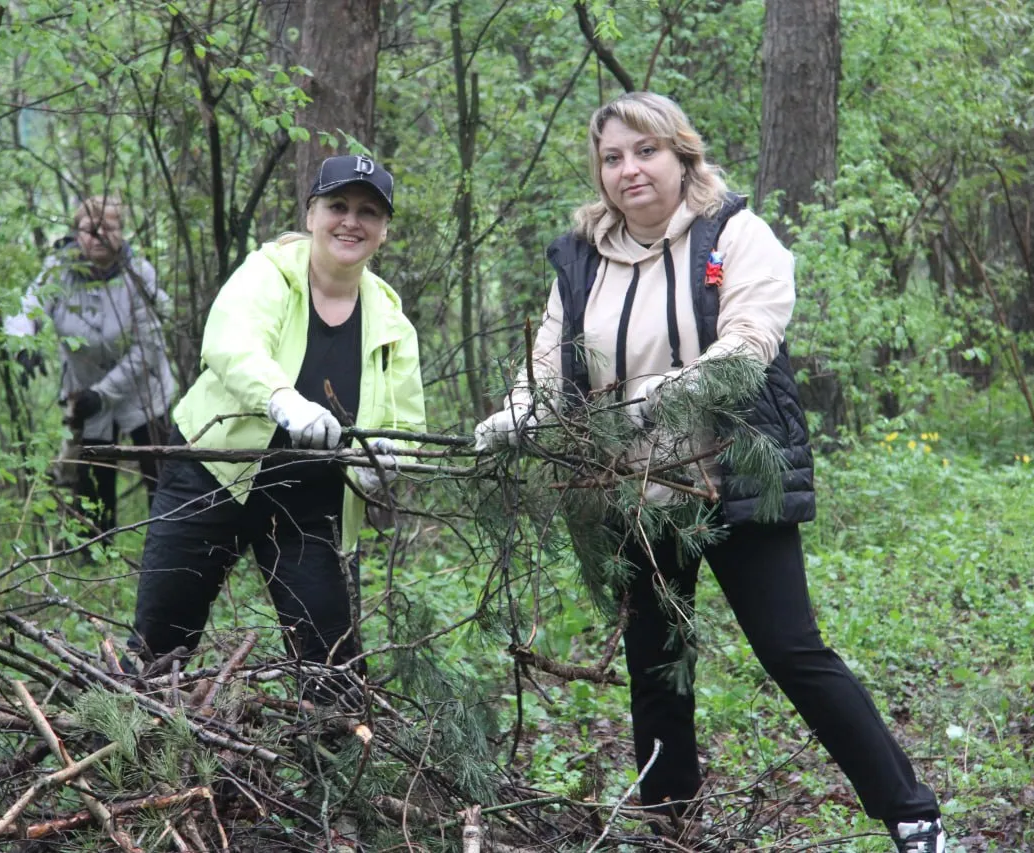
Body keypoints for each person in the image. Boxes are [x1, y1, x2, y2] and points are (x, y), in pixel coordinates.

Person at [472, 92, 945, 853]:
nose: (629, 169)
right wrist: (511, 420)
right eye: (612, 157)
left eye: (645, 151)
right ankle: (671, 833)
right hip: (629, 498)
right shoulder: (580, 259)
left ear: (681, 154)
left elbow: (749, 343)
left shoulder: (735, 234)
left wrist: (646, 406)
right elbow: (546, 371)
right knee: (657, 672)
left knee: (792, 651)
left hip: (730, 483)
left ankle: (912, 813)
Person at [127, 155, 425, 688]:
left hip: (311, 505)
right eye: (337, 206)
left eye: (368, 212)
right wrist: (283, 400)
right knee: (160, 639)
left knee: (330, 664)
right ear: (311, 214)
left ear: (384, 231)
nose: (350, 222)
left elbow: (408, 422)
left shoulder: (391, 322)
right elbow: (231, 343)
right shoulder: (268, 273)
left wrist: (389, 459)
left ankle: (332, 756)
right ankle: (133, 743)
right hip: (213, 474)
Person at [5, 195, 176, 536]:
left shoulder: (137, 274)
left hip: (143, 389)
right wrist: (24, 345)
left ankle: (167, 548)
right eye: (89, 228)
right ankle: (96, 558)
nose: (98, 235)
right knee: (94, 483)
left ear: (122, 232)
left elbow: (149, 347)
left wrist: (104, 393)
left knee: (162, 480)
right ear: (77, 232)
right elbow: (25, 307)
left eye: (108, 227)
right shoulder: (58, 271)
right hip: (83, 390)